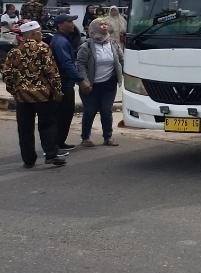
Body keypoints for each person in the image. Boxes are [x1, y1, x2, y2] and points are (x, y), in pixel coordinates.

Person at [1, 21, 66, 167]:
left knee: (25, 129)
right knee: (47, 125)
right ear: (33, 34)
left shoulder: (14, 51)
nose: (42, 35)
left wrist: (15, 90)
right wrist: (57, 90)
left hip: (22, 98)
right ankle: (50, 155)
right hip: (43, 96)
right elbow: (52, 72)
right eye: (40, 32)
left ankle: (28, 161)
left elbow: (7, 75)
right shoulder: (43, 48)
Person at [76, 19, 124, 147]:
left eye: (105, 24)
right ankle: (85, 138)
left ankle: (108, 137)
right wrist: (84, 81)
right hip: (90, 86)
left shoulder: (113, 43)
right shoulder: (86, 46)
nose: (104, 26)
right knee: (90, 111)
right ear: (93, 28)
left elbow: (121, 59)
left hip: (109, 85)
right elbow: (80, 64)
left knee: (106, 111)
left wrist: (122, 74)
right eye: (100, 25)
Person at [49, 14, 82, 151]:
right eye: (69, 22)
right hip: (63, 84)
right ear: (60, 24)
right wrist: (80, 80)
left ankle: (60, 142)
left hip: (65, 83)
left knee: (66, 114)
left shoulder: (64, 39)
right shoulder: (60, 42)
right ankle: (56, 144)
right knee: (63, 114)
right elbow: (67, 64)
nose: (72, 24)